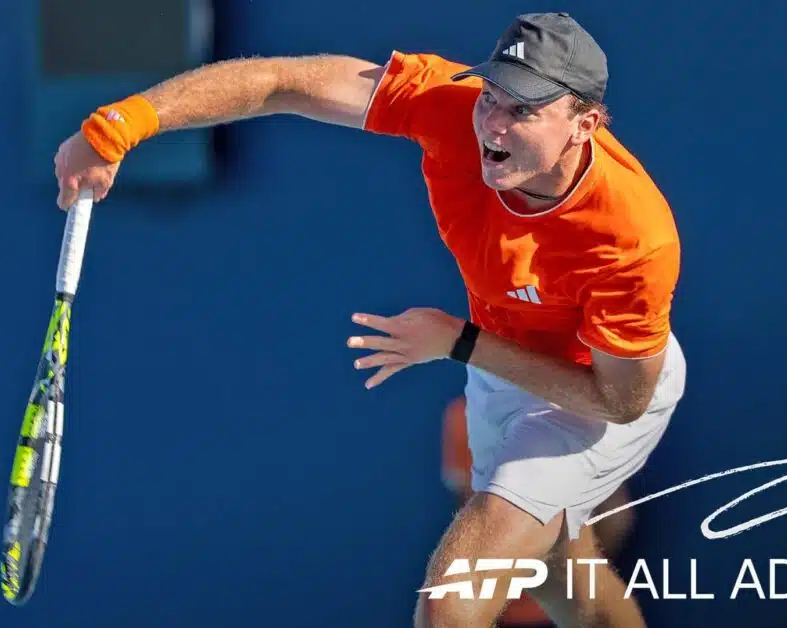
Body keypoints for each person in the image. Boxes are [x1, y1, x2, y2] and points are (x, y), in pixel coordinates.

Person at [54, 12, 687, 627]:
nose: (493, 124)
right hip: (502, 371)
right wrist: (120, 126)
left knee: (450, 605)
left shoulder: (632, 239)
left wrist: (461, 342)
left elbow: (619, 401)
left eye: (522, 110)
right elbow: (281, 82)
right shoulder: (446, 105)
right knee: (562, 582)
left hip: (593, 388)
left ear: (584, 124)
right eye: (490, 97)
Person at [440, 395, 638, 628]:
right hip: (563, 603)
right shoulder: (586, 413)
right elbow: (617, 517)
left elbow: (617, 517)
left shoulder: (468, 414)